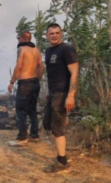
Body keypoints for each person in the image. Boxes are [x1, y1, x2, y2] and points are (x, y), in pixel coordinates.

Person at [43, 23, 78, 174]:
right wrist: (49, 92)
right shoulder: (49, 51)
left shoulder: (66, 49)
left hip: (62, 93)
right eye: (51, 33)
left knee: (58, 127)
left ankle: (62, 163)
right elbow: (52, 73)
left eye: (57, 33)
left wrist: (70, 95)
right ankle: (61, 156)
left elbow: (75, 72)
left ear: (61, 33)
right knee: (47, 124)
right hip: (53, 93)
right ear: (47, 35)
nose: (54, 35)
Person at [8, 31, 45, 146]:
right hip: (34, 82)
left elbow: (19, 66)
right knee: (32, 109)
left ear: (23, 39)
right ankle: (34, 135)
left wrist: (12, 82)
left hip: (24, 83)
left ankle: (22, 138)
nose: (18, 40)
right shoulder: (36, 50)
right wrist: (37, 80)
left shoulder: (22, 49)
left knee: (21, 110)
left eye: (19, 38)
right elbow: (41, 67)